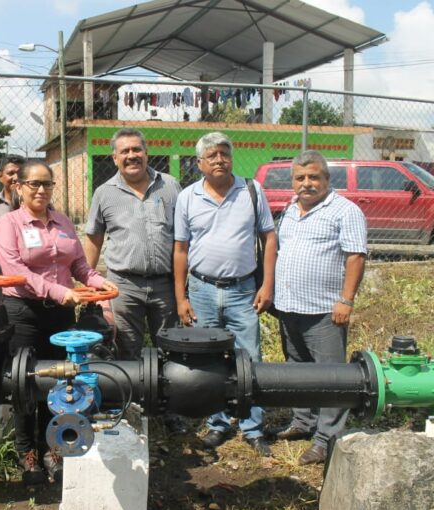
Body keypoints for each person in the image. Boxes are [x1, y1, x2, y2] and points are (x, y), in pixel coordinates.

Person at [0, 160, 117, 485]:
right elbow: (15, 270)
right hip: (23, 311)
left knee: (62, 381)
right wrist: (60, 291)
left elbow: (78, 264)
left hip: (60, 313)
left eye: (47, 184)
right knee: (25, 382)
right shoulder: (9, 224)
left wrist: (97, 282)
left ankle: (54, 449)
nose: (41, 190)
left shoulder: (62, 222)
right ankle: (26, 453)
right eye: (33, 183)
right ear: (19, 186)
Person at [173, 131, 277, 456]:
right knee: (209, 360)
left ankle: (252, 427)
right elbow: (180, 249)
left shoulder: (251, 190)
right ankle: (217, 424)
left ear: (231, 157)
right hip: (201, 289)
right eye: (212, 155)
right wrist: (181, 297)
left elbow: (269, 239)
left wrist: (267, 284)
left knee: (250, 358)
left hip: (243, 289)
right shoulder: (187, 197)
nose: (219, 159)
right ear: (200, 163)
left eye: (224, 153)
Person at [272, 150, 367, 465]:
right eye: (300, 178)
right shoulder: (289, 210)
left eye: (314, 177)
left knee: (331, 377)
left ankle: (326, 439)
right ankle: (303, 421)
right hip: (289, 308)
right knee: (297, 370)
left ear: (327, 179)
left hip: (325, 311)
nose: (307, 183)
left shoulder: (344, 211)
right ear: (293, 182)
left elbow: (355, 256)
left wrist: (346, 300)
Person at [84, 128, 181, 361]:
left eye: (137, 149)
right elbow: (94, 238)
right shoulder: (104, 193)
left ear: (147, 153)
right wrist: (89, 280)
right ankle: (134, 397)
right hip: (123, 286)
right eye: (124, 151)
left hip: (165, 285)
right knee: (127, 349)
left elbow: (183, 235)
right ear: (115, 158)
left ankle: (167, 395)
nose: (132, 155)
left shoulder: (170, 186)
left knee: (171, 348)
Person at [0, 154, 25, 275]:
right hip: (3, 278)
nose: (16, 177)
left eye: (20, 173)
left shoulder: (39, 204)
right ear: (0, 177)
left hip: (37, 279)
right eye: (11, 173)